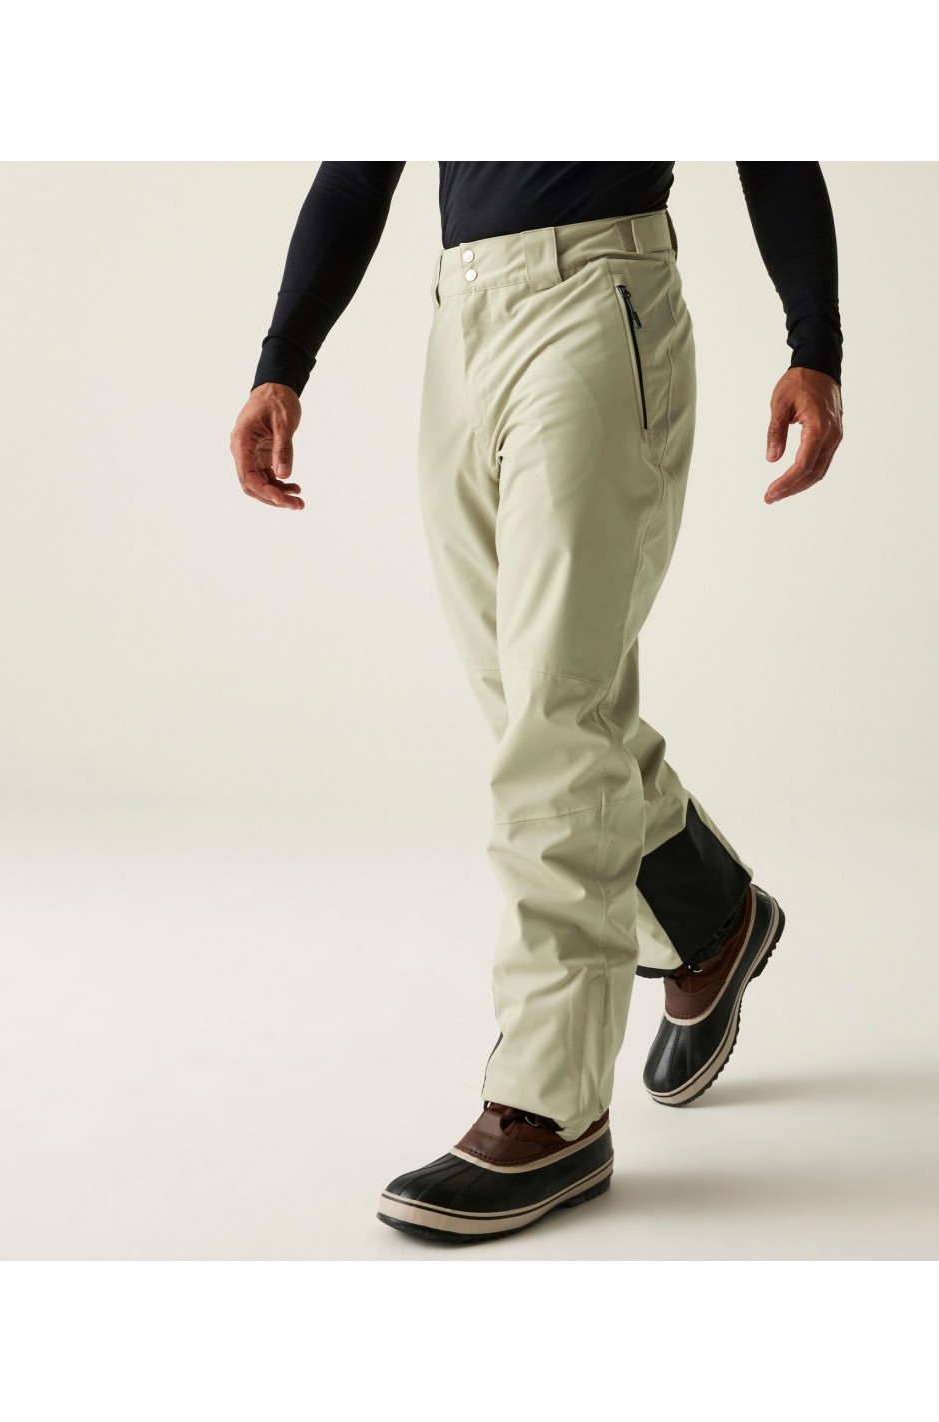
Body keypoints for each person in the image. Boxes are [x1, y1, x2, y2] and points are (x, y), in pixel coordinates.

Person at [229, 162, 843, 1245]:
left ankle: (551, 1106)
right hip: (462, 313)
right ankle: (709, 917)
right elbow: (358, 168)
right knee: (537, 708)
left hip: (598, 298)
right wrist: (282, 364)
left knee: (554, 722)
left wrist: (813, 345)